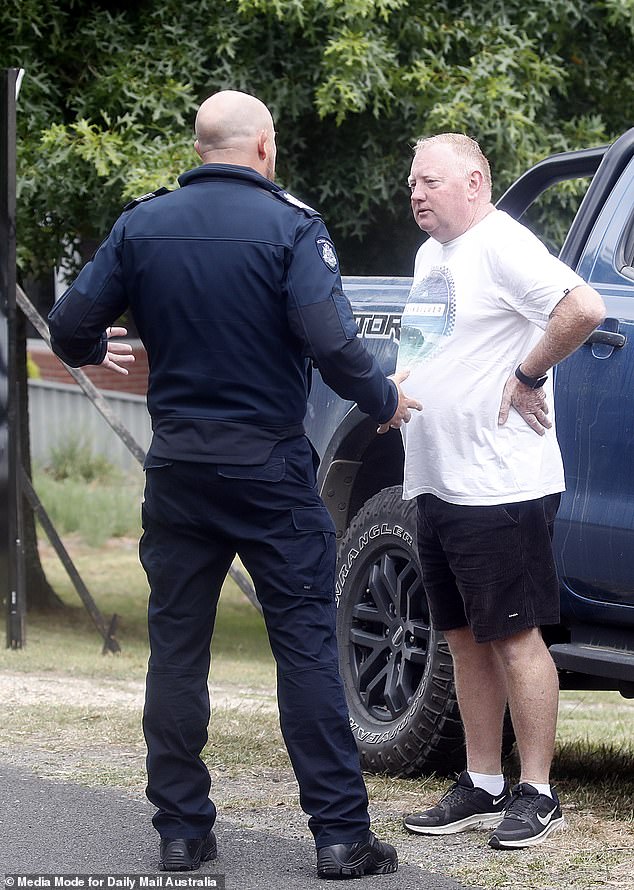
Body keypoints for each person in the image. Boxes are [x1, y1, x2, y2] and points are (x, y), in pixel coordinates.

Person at [48, 90, 421, 878]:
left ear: (199, 145)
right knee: (307, 652)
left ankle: (182, 832)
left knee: (177, 653)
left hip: (179, 470)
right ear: (266, 147)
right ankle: (339, 838)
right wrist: (384, 400)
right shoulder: (291, 226)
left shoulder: (140, 224)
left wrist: (92, 350)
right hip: (269, 471)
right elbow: (332, 340)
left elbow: (71, 326)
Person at [398, 133, 605, 849]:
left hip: (498, 484)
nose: (417, 193)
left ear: (475, 181)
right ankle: (482, 781)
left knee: (516, 637)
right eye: (412, 182)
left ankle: (537, 792)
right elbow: (429, 352)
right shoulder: (434, 256)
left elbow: (584, 308)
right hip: (437, 478)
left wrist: (528, 374)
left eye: (430, 181)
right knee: (463, 639)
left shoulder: (501, 244)